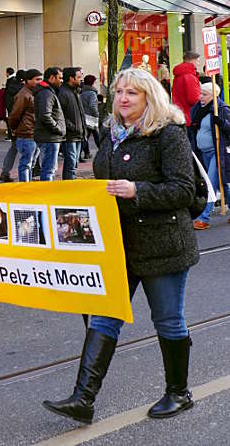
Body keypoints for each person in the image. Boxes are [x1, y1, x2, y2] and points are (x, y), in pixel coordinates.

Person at [43, 68, 199, 425]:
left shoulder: (168, 134)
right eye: (119, 92)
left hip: (164, 245)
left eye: (132, 92)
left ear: (150, 97)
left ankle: (179, 393)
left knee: (168, 320)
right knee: (104, 316)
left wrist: (136, 190)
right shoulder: (111, 135)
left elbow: (184, 190)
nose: (123, 98)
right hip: (118, 245)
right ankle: (83, 399)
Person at [190, 81, 230, 230]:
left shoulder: (221, 109)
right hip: (203, 153)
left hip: (217, 153)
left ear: (214, 95)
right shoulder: (198, 109)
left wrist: (222, 123)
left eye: (204, 94)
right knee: (223, 184)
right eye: (200, 93)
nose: (201, 97)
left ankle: (203, 218)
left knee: (210, 183)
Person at [8, 69, 43, 181]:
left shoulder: (35, 93)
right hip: (26, 134)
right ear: (28, 80)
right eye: (37, 79)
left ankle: (28, 184)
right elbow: (15, 115)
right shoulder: (23, 94)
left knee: (31, 163)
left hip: (35, 133)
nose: (40, 81)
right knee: (26, 164)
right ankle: (24, 186)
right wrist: (14, 128)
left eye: (41, 79)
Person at [33, 67, 66, 180]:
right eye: (60, 78)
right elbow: (45, 115)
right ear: (52, 78)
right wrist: (58, 129)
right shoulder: (46, 93)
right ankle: (46, 193)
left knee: (50, 168)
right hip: (49, 137)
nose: (62, 80)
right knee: (49, 169)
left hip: (50, 136)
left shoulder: (47, 92)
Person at [58, 67, 86, 179]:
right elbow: (60, 115)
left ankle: (70, 182)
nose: (81, 80)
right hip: (70, 134)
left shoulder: (75, 92)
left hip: (77, 133)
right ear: (71, 78)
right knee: (71, 162)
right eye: (78, 77)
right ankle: (69, 184)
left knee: (74, 163)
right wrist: (72, 127)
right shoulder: (64, 93)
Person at [0, 69, 24, 183]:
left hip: (15, 123)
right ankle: (28, 174)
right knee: (30, 150)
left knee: (14, 148)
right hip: (23, 125)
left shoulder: (10, 87)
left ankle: (5, 172)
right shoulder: (22, 92)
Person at [172, 51, 201, 129]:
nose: (198, 63)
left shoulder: (178, 75)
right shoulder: (189, 76)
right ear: (192, 60)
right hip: (189, 117)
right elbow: (194, 99)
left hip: (180, 115)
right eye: (198, 61)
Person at [80, 74, 100, 160]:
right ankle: (102, 152)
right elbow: (92, 106)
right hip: (91, 118)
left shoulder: (81, 92)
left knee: (87, 136)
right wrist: (97, 114)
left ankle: (86, 153)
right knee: (94, 135)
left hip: (84, 116)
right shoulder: (92, 93)